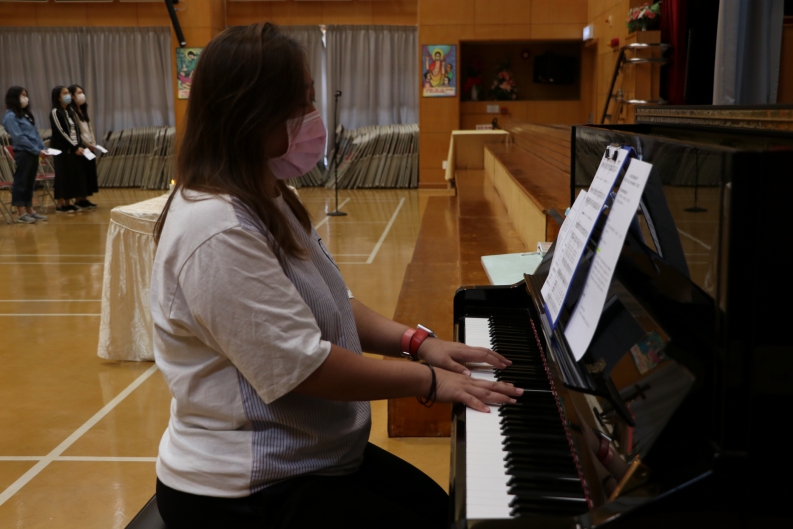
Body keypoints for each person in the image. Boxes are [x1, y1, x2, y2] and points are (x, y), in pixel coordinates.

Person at [151, 23, 522, 529]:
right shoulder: (215, 228)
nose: (313, 116)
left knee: (443, 509)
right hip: (247, 486)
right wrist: (431, 381)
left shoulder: (268, 193)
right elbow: (306, 368)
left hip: (311, 455)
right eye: (301, 102)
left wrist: (419, 344)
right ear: (250, 113)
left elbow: (334, 302)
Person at [2, 87, 49, 223]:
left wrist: (43, 149)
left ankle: (30, 210)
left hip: (33, 152)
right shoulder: (10, 116)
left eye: (26, 95)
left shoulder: (24, 115)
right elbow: (19, 137)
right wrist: (36, 150)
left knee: (30, 182)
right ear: (14, 97)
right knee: (21, 181)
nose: (25, 98)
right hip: (24, 152)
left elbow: (35, 135)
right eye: (22, 95)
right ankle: (21, 212)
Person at [49, 86, 88, 214]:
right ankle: (60, 205)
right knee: (63, 176)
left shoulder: (70, 111)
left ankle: (68, 203)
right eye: (65, 93)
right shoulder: (55, 112)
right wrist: (74, 147)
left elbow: (76, 130)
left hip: (74, 149)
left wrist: (80, 145)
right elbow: (61, 132)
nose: (68, 96)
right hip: (63, 150)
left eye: (69, 93)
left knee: (72, 176)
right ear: (58, 97)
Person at [68, 85, 98, 209]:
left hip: (89, 145)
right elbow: (77, 131)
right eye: (79, 93)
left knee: (89, 172)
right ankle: (79, 199)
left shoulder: (83, 110)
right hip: (81, 145)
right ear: (72, 96)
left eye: (82, 92)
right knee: (81, 173)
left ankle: (85, 198)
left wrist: (93, 143)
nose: (82, 95)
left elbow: (89, 129)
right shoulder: (71, 111)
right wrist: (87, 144)